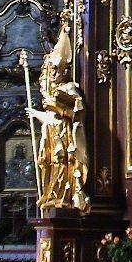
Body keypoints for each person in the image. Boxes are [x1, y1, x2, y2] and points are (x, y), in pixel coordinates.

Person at [26, 24, 90, 213]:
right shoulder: (51, 91)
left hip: (64, 137)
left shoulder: (69, 88)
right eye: (51, 71)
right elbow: (50, 119)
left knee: (61, 164)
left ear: (65, 71)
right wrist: (36, 113)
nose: (53, 74)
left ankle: (63, 196)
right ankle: (51, 195)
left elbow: (77, 113)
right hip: (52, 136)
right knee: (48, 164)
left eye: (56, 70)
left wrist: (57, 106)